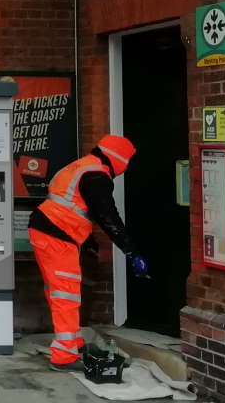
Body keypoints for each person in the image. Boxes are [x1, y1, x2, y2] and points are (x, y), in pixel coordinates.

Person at [28, 134, 148, 371]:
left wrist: (90, 240)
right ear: (118, 158)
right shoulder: (96, 176)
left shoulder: (82, 165)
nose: (127, 167)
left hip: (51, 232)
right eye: (127, 161)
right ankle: (64, 356)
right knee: (66, 294)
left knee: (62, 293)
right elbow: (107, 216)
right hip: (57, 236)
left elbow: (78, 207)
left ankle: (71, 343)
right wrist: (131, 251)